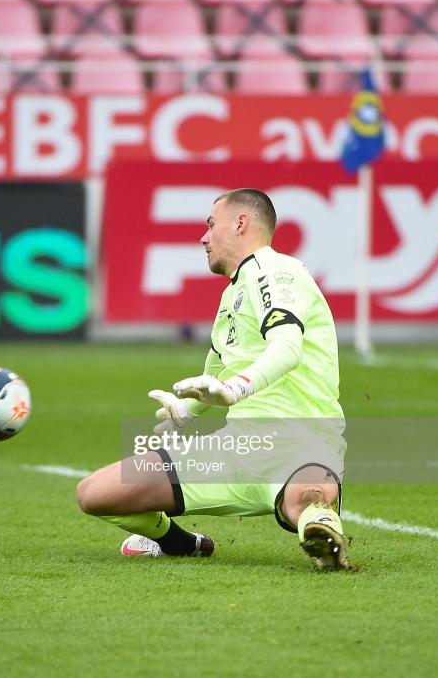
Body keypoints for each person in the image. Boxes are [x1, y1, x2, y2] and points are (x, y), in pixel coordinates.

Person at [76, 188, 350, 570]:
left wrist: (237, 388)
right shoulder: (232, 295)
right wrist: (184, 410)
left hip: (300, 443)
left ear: (240, 223)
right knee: (95, 494)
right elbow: (215, 379)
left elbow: (287, 347)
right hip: (234, 451)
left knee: (307, 500)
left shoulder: (279, 271)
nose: (203, 238)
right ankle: (178, 542)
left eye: (210, 225)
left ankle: (323, 536)